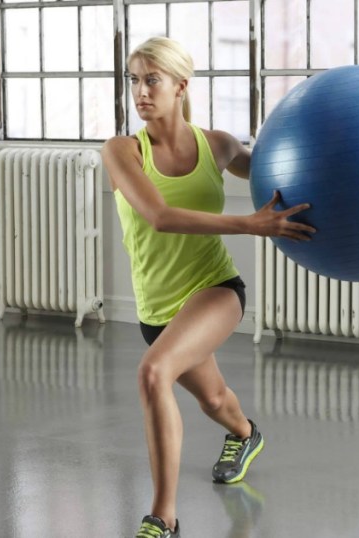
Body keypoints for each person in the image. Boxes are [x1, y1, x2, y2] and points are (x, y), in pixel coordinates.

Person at [101, 36, 315, 538]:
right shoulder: (121, 151)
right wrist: (250, 224)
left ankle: (163, 518)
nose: (140, 91)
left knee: (154, 374)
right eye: (134, 80)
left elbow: (281, 174)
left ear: (180, 85)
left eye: (152, 79)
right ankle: (245, 433)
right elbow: (159, 216)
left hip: (216, 288)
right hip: (158, 309)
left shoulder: (216, 145)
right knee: (215, 401)